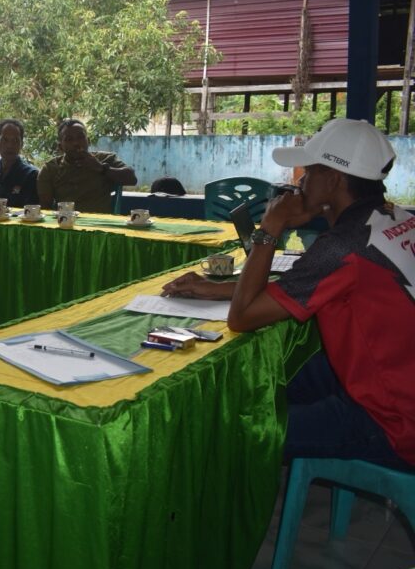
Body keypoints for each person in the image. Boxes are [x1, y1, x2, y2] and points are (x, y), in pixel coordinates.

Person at [162, 118, 414, 471]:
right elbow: (316, 284)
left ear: (334, 179)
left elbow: (242, 318)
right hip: (394, 381)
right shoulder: (394, 218)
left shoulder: (342, 247)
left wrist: (270, 227)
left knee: (237, 429)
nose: (300, 182)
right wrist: (218, 289)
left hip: (393, 420)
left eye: (309, 171)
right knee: (272, 376)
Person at [36, 119, 137, 213]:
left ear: (88, 141)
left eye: (80, 137)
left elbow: (132, 179)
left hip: (101, 223)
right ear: (60, 147)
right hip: (67, 222)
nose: (76, 143)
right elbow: (46, 208)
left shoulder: (105, 159)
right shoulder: (50, 169)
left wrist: (101, 168)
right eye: (69, 139)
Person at [0, 118, 39, 207]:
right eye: (5, 140)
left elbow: (32, 210)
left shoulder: (31, 176)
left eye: (15, 141)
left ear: (22, 144)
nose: (10, 146)